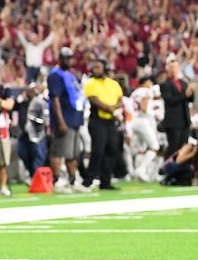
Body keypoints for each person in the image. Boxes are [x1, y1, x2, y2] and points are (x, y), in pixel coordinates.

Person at [47, 47, 89, 193]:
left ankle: (72, 180)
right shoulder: (55, 76)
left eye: (70, 58)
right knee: (58, 151)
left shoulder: (71, 75)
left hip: (74, 118)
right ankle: (57, 181)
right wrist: (61, 121)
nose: (68, 61)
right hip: (64, 118)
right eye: (65, 58)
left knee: (73, 153)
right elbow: (55, 99)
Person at [83, 60, 124, 191]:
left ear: (104, 68)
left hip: (111, 121)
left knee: (112, 149)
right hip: (97, 120)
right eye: (93, 67)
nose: (95, 69)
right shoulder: (90, 83)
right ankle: (88, 181)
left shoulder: (113, 83)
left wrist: (113, 108)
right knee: (98, 150)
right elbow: (94, 100)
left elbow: (120, 100)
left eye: (98, 67)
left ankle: (105, 181)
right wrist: (109, 108)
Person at [158, 54, 196, 158]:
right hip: (173, 121)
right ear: (167, 69)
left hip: (185, 120)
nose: (174, 70)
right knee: (173, 147)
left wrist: (191, 92)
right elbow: (170, 100)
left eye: (176, 67)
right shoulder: (164, 84)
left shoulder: (183, 83)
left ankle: (180, 171)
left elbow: (190, 100)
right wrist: (186, 94)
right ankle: (166, 169)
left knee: (183, 147)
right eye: (172, 67)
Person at [128, 76, 162, 182]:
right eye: (149, 81)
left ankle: (139, 176)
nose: (151, 83)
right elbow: (144, 108)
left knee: (141, 150)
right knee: (154, 147)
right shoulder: (146, 91)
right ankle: (141, 170)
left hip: (134, 121)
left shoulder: (134, 93)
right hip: (143, 121)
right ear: (145, 82)